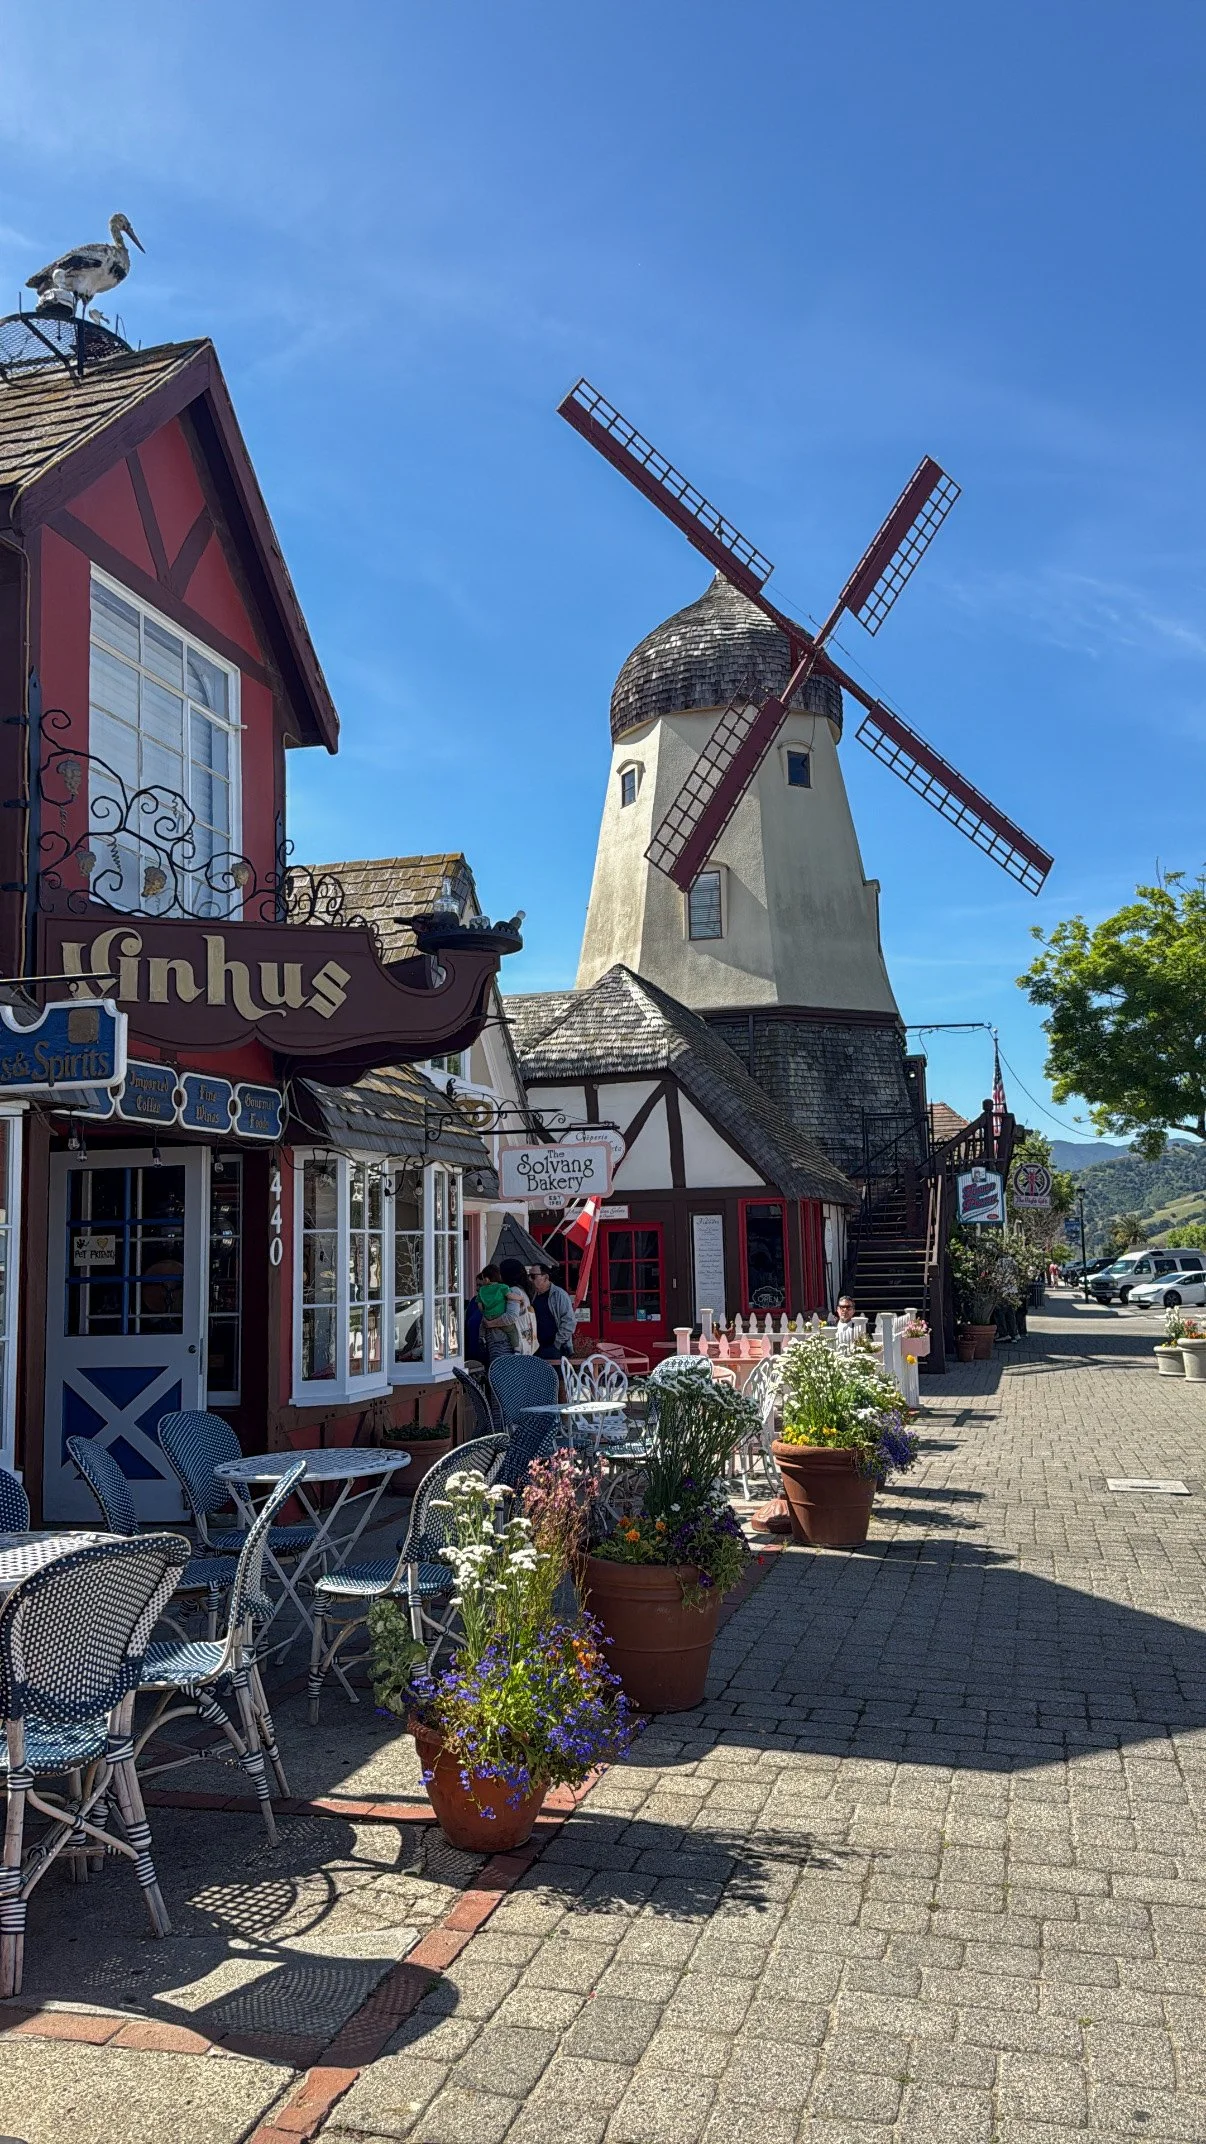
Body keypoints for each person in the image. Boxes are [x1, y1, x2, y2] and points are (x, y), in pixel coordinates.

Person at [529, 1264, 577, 1362]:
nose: (530, 1280)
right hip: (536, 1347)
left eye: (533, 1276)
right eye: (529, 1276)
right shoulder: (532, 1295)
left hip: (554, 1348)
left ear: (545, 1277)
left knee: (555, 1376)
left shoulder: (559, 1294)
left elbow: (569, 1321)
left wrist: (557, 1343)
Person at [497, 1257, 538, 1355]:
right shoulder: (523, 1291)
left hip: (513, 1345)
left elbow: (511, 1316)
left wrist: (491, 1323)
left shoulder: (514, 1291)